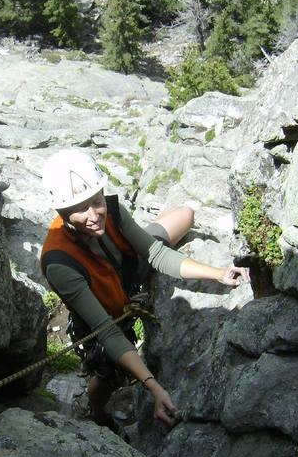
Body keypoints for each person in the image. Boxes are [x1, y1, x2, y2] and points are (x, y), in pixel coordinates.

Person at [39, 149, 250, 428]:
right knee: (108, 373)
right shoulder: (59, 263)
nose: (93, 215)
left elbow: (156, 255)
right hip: (105, 313)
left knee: (186, 215)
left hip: (127, 269)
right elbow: (108, 330)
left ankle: (147, 230)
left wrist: (218, 273)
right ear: (62, 212)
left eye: (96, 202)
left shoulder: (111, 212)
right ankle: (94, 410)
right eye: (80, 209)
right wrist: (154, 387)